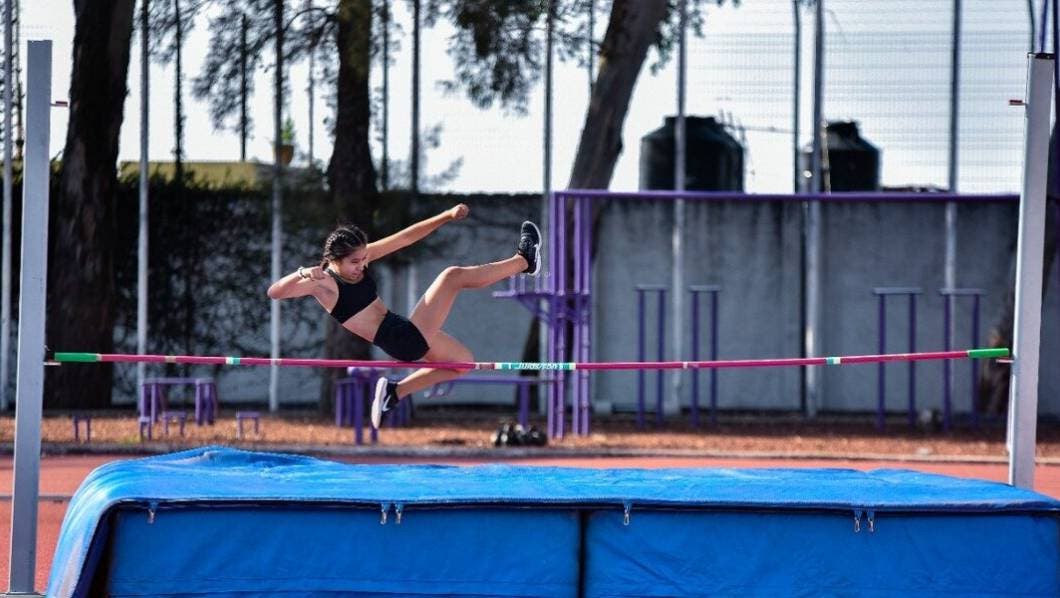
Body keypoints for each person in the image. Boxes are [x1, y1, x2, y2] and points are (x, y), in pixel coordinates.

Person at [267, 203, 541, 429]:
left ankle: (395, 392)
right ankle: (524, 261)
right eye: (354, 262)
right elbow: (275, 292)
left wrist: (445, 216)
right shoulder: (323, 283)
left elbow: (405, 237)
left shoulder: (361, 258)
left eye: (363, 259)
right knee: (452, 277)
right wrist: (302, 272)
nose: (361, 266)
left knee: (463, 362)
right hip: (400, 339)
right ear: (334, 260)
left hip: (400, 328)